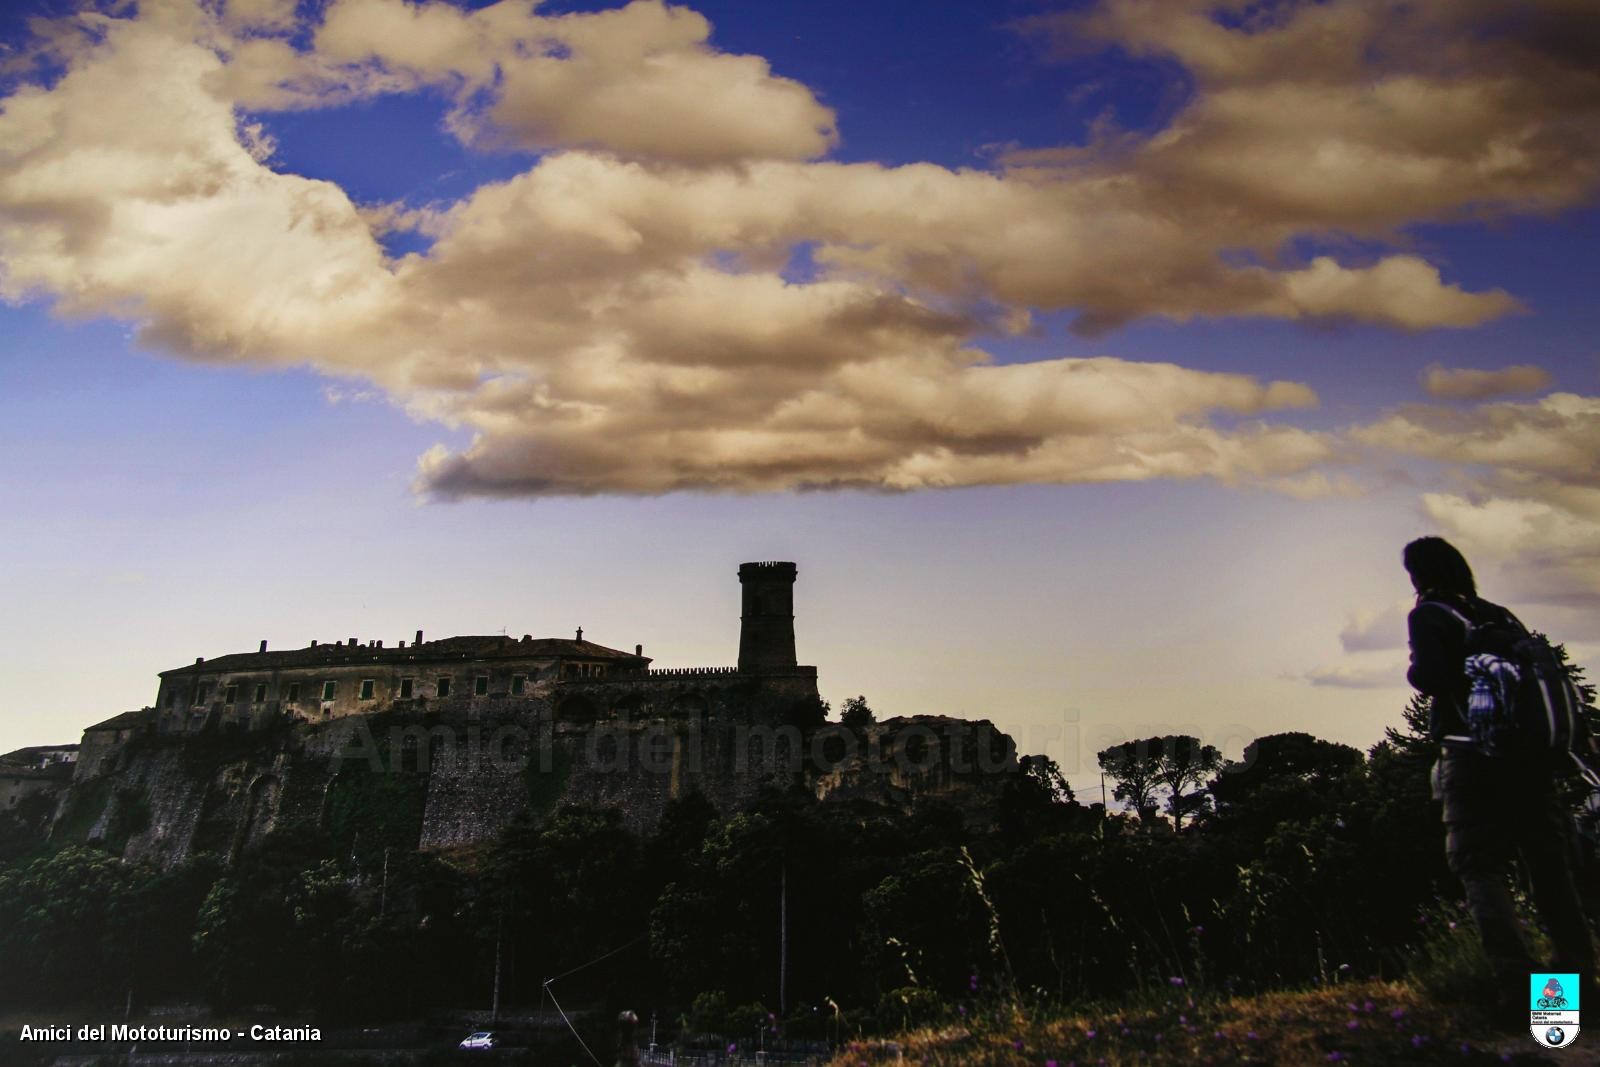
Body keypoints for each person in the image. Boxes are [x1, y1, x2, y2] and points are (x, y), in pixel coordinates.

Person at [1403, 536, 1595, 1003]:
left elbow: (1432, 677)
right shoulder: (1498, 614)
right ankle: (1572, 985)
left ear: (1418, 574)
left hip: (1472, 756)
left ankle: (1514, 979)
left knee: (1477, 862)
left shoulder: (1429, 614)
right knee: (1549, 866)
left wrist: (1416, 670)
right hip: (1528, 759)